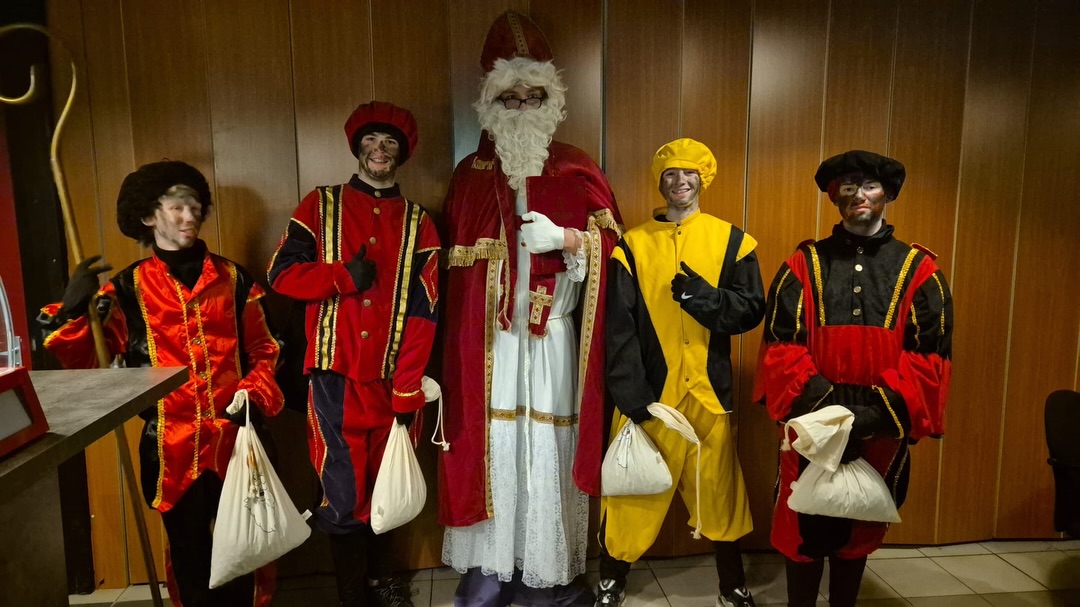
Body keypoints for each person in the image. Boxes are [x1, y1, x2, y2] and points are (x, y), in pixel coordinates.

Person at [437, 10, 623, 607]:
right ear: (491, 102)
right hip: (488, 349)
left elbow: (620, 256)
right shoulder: (469, 175)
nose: (521, 105)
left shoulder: (576, 166)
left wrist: (569, 242)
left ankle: (547, 567)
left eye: (533, 94)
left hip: (552, 344)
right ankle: (492, 567)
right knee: (493, 449)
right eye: (509, 96)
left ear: (551, 98)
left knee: (545, 448)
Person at [40, 160, 284, 606]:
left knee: (250, 546)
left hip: (236, 438)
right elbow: (86, 360)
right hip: (170, 445)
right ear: (148, 217)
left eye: (195, 205)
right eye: (176, 206)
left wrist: (257, 391)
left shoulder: (234, 278)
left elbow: (267, 349)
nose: (189, 215)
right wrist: (74, 311)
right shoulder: (126, 290)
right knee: (189, 552)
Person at [753, 150, 953, 607]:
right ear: (833, 196)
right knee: (801, 523)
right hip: (812, 426)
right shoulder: (802, 264)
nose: (857, 195)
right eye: (847, 187)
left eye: (868, 186)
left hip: (880, 427)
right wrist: (828, 409)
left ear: (887, 194)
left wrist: (869, 416)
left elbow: (930, 357)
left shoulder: (921, 270)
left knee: (859, 525)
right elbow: (781, 346)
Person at [268, 101, 440, 607]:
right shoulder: (319, 206)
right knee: (341, 492)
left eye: (390, 142)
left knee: (387, 486)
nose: (379, 150)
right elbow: (281, 274)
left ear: (401, 154)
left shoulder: (419, 222)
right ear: (357, 148)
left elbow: (424, 312)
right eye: (371, 141)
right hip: (332, 378)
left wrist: (409, 387)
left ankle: (380, 581)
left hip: (391, 380)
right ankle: (352, 596)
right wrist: (340, 277)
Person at [596, 139, 763, 607]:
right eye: (671, 174)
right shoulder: (631, 245)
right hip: (651, 396)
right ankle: (612, 580)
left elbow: (749, 311)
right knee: (632, 493)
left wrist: (704, 297)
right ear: (660, 181)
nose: (680, 182)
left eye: (689, 173)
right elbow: (619, 330)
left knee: (719, 492)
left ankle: (732, 585)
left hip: (710, 394)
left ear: (702, 178)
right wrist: (633, 400)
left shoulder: (733, 241)